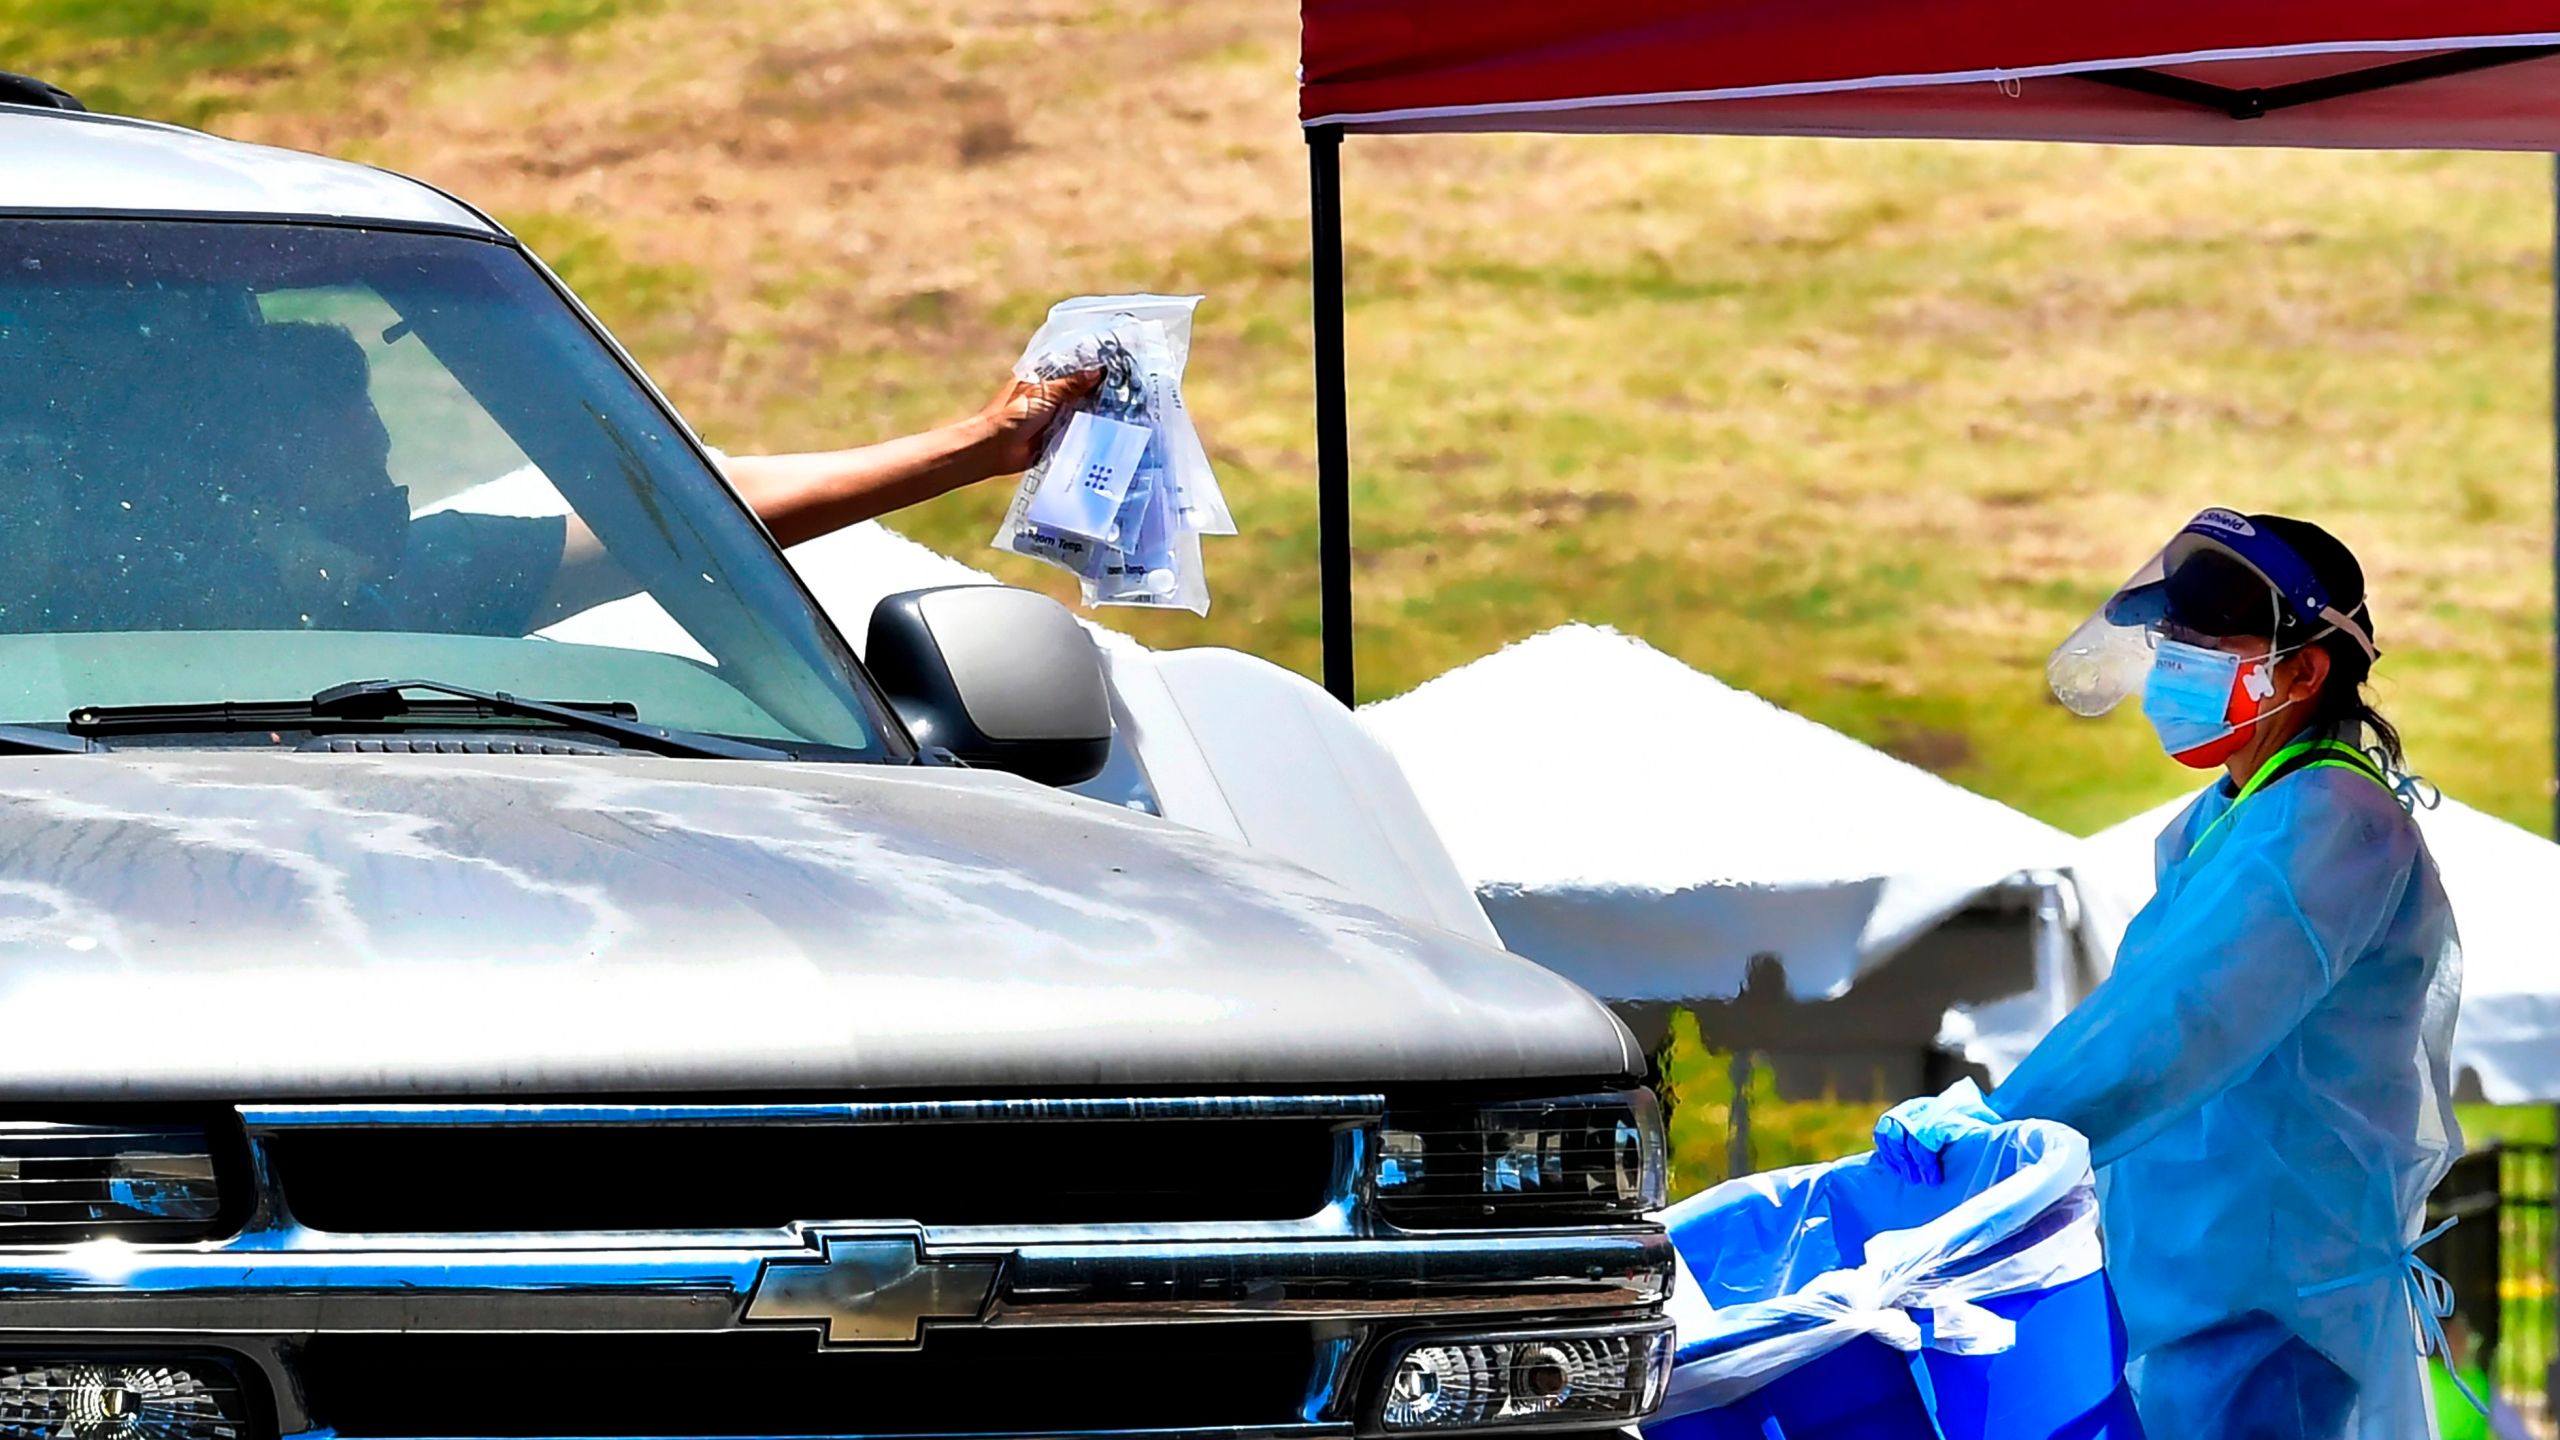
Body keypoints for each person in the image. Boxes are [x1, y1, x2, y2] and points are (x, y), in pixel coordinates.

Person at [1871, 508, 2463, 1440]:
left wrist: (2006, 1122)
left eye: (2206, 641)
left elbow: (2184, 1019)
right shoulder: (2232, 813)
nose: (2175, 661)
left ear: (2303, 670)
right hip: (2205, 1269)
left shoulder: (2330, 820)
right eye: (2172, 638)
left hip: (2274, 1280)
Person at [58, 319, 1093, 636]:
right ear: (224, 457)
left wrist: (975, 447)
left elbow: (688, 520)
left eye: (362, 414)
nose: (374, 441)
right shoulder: (87, 596)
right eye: (319, 426)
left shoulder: (416, 574)